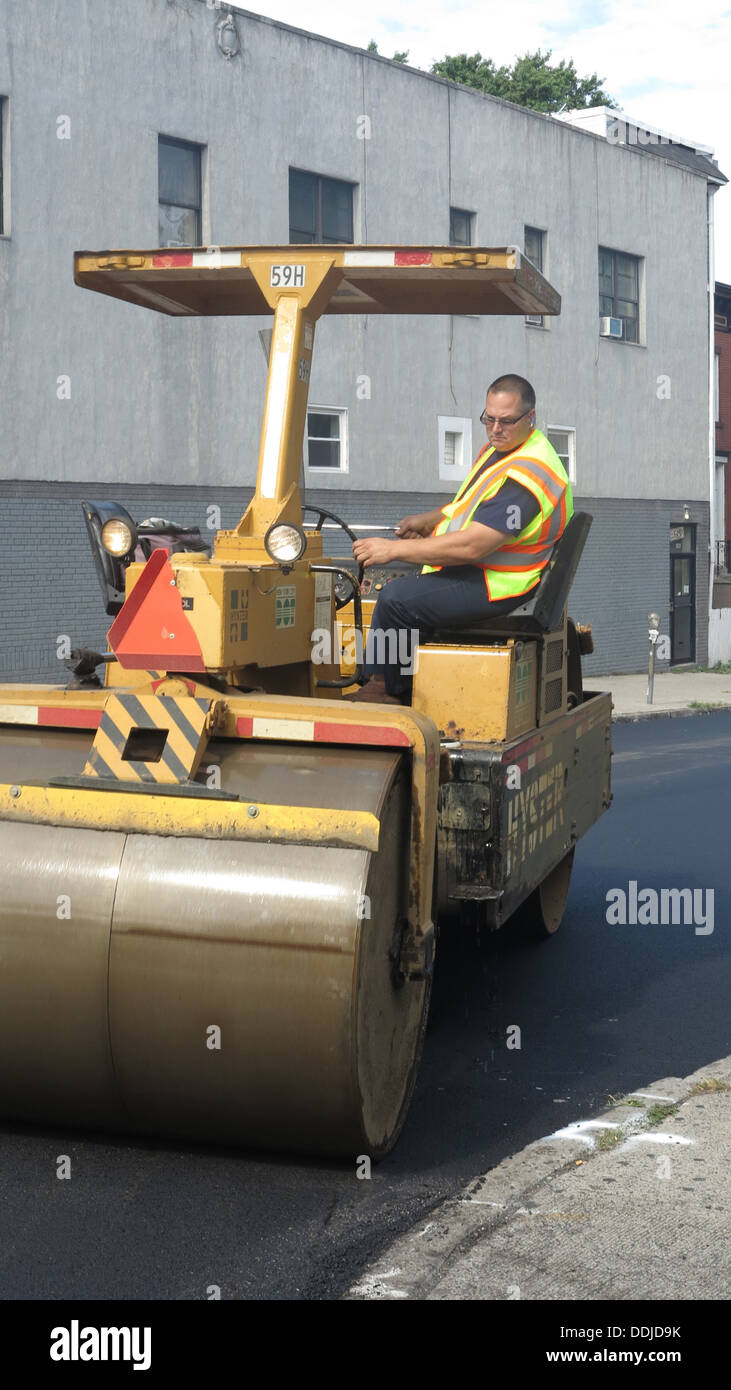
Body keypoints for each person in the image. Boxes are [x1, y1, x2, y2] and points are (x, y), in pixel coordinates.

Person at [347, 374, 573, 703]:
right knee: (406, 592)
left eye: (507, 421)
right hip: (483, 570)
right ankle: (409, 682)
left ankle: (385, 690)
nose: (496, 428)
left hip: (500, 582)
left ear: (531, 418)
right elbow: (467, 506)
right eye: (489, 419)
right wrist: (429, 520)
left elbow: (474, 545)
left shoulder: (530, 473)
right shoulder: (502, 450)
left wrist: (395, 550)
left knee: (395, 600)